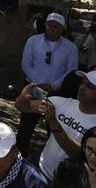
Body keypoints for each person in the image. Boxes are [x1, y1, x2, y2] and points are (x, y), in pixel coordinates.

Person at [15, 70, 96, 181]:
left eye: (90, 87)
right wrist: (24, 96)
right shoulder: (60, 103)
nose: (82, 87)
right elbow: (22, 107)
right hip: (41, 173)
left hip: (67, 184)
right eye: (82, 82)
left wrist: (53, 122)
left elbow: (79, 154)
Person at [17, 12, 78, 157]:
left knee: (54, 128)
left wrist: (52, 86)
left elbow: (71, 72)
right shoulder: (33, 41)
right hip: (33, 90)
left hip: (56, 93)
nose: (51, 29)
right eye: (49, 25)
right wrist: (37, 83)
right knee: (26, 128)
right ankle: (19, 158)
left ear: (62, 28)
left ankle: (51, 160)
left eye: (55, 27)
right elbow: (26, 64)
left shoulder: (70, 48)